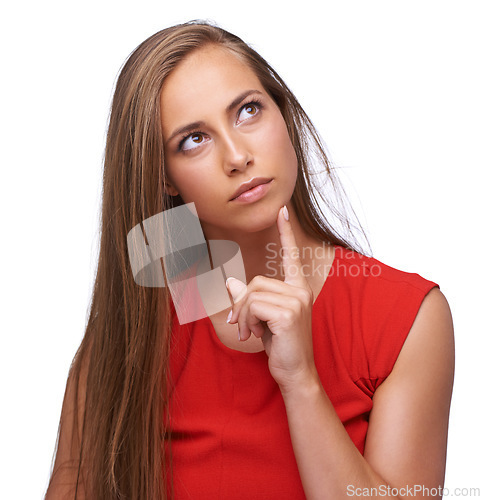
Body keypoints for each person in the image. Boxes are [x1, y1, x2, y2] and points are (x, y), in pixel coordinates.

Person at [45, 21, 454, 499]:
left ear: (284, 114)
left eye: (248, 110)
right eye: (193, 140)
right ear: (165, 178)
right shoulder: (142, 313)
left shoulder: (403, 316)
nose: (237, 156)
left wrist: (300, 382)